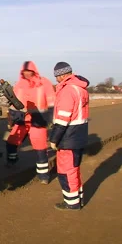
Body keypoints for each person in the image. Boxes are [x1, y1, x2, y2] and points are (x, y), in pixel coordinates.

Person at [6, 61, 56, 184]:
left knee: (40, 147)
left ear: (34, 71)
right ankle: (11, 161)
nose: (27, 74)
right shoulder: (19, 85)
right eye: (25, 72)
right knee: (11, 141)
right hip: (21, 119)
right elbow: (13, 103)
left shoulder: (44, 83)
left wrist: (52, 118)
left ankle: (43, 175)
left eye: (29, 71)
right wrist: (11, 118)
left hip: (38, 120)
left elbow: (52, 101)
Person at [49, 62, 89, 211]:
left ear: (63, 75)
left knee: (66, 172)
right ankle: (78, 199)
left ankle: (71, 203)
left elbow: (62, 119)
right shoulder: (81, 89)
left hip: (68, 138)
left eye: (57, 76)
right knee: (74, 170)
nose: (57, 79)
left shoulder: (67, 91)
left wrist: (54, 139)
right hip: (78, 136)